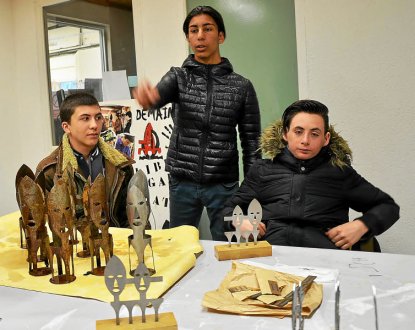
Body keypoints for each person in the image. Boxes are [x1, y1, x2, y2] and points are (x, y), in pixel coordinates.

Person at [133, 5, 261, 240]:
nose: (200, 35)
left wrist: (251, 190)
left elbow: (252, 142)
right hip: (182, 181)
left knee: (231, 244)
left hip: (224, 184)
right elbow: (157, 97)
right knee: (179, 245)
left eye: (207, 29)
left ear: (221, 36)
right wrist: (148, 99)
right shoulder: (177, 77)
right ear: (188, 38)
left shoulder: (242, 86)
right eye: (193, 30)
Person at [223, 99, 399, 251]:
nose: (305, 140)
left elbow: (388, 207)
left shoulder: (340, 173)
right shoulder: (262, 170)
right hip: (269, 258)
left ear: (326, 138)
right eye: (298, 132)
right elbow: (228, 209)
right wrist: (239, 221)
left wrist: (361, 226)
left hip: (324, 262)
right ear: (285, 134)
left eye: (314, 134)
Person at [35, 92, 135, 228]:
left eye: (98, 117)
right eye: (85, 118)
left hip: (116, 244)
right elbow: (44, 226)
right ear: (66, 127)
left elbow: (133, 215)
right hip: (74, 246)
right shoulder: (49, 171)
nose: (94, 125)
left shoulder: (121, 165)